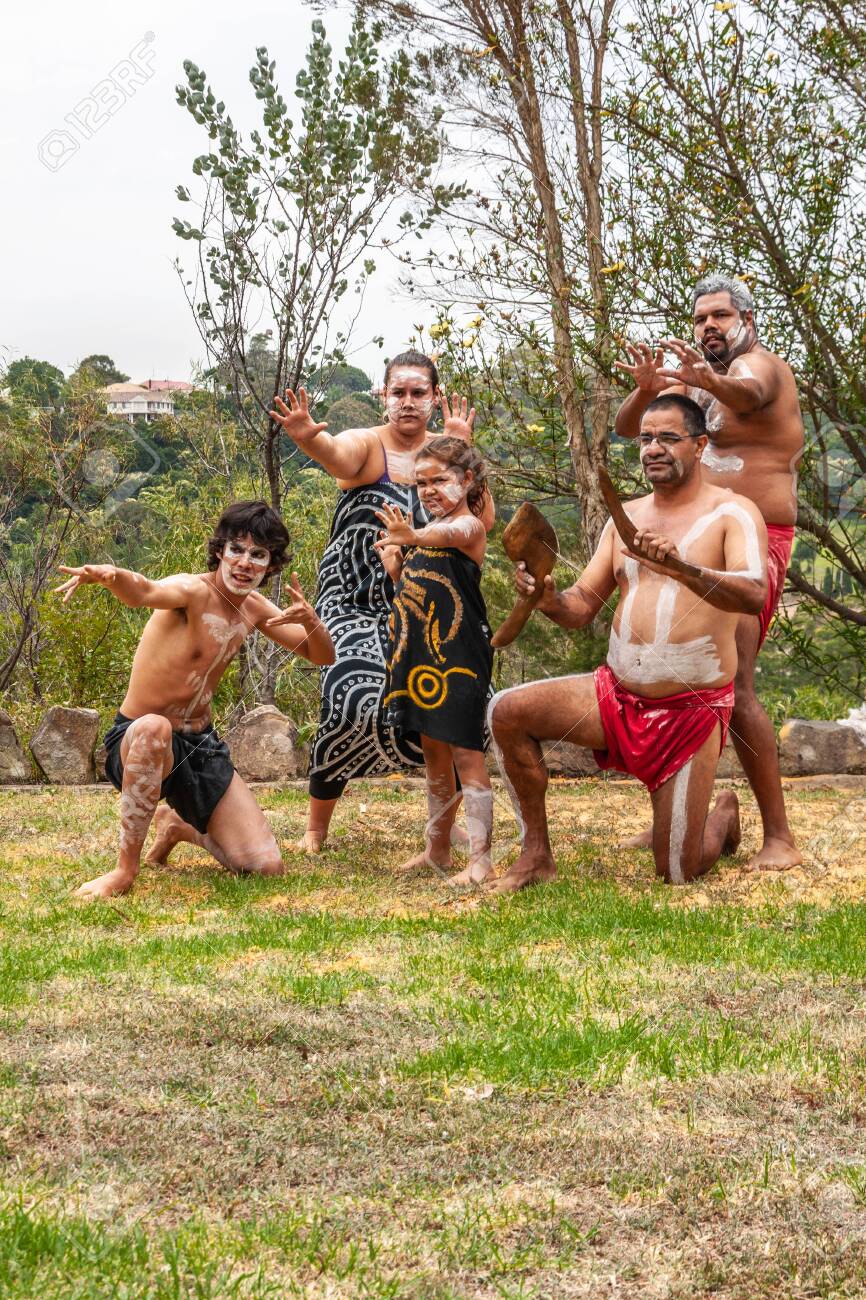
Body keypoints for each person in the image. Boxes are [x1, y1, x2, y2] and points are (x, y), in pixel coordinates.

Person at [487, 394, 768, 894]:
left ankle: (722, 815)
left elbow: (754, 594)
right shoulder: (626, 520)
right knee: (506, 710)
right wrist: (549, 599)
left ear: (700, 445)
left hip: (691, 711)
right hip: (614, 698)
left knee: (676, 872)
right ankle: (535, 856)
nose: (653, 448)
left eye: (668, 437)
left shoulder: (734, 512)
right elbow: (581, 609)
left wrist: (684, 568)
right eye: (645, 438)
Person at [614, 274, 804, 870]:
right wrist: (646, 391)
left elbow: (745, 394)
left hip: (754, 541)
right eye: (700, 319)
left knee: (734, 682)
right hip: (688, 540)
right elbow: (630, 427)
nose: (709, 328)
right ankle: (679, 816)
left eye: (720, 316)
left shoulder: (761, 368)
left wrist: (702, 379)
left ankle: (780, 837)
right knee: (674, 669)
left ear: (746, 318)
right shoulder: (696, 378)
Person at [54, 500, 334, 900]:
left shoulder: (254, 608)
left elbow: (322, 655)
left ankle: (180, 827)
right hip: (140, 742)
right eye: (237, 549)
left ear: (270, 565)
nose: (244, 563)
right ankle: (124, 870)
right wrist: (112, 576)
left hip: (201, 747)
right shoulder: (191, 591)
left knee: (265, 867)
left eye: (258, 555)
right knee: (155, 727)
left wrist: (312, 622)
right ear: (220, 550)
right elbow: (145, 591)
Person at [269, 351, 492, 852]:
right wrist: (310, 438)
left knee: (455, 708)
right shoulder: (369, 445)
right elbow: (338, 453)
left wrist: (463, 449)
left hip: (425, 606)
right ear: (383, 396)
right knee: (350, 696)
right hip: (352, 601)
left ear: (434, 398)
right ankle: (316, 827)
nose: (408, 402)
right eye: (399, 392)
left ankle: (442, 830)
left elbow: (484, 521)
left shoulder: (447, 454)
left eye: (418, 393)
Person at [374, 437, 494, 885]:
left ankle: (480, 859)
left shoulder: (468, 527)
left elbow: (449, 535)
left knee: (466, 753)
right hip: (419, 658)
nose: (428, 490)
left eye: (439, 480)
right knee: (434, 754)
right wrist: (395, 566)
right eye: (421, 482)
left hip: (459, 655)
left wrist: (413, 535)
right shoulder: (427, 531)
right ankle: (437, 849)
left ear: (466, 481)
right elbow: (419, 587)